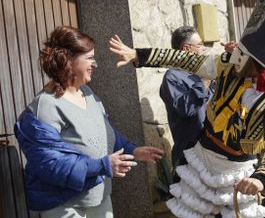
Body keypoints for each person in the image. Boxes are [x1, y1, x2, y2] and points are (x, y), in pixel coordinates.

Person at [109, 0, 265, 218]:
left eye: (243, 58)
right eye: (238, 54)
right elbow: (183, 58)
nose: (235, 59)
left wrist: (262, 178)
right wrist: (139, 55)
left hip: (238, 171)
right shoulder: (225, 62)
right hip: (202, 159)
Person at [14, 26, 163, 218]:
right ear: (68, 60)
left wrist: (131, 150)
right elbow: (50, 163)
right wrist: (103, 166)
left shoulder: (88, 93)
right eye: (90, 58)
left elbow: (104, 133)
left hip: (100, 199)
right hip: (65, 206)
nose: (95, 64)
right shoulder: (47, 104)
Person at [160, 26, 213, 166]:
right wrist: (205, 82)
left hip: (214, 150)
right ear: (186, 49)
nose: (203, 49)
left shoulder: (201, 73)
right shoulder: (172, 77)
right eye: (200, 45)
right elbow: (185, 108)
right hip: (191, 154)